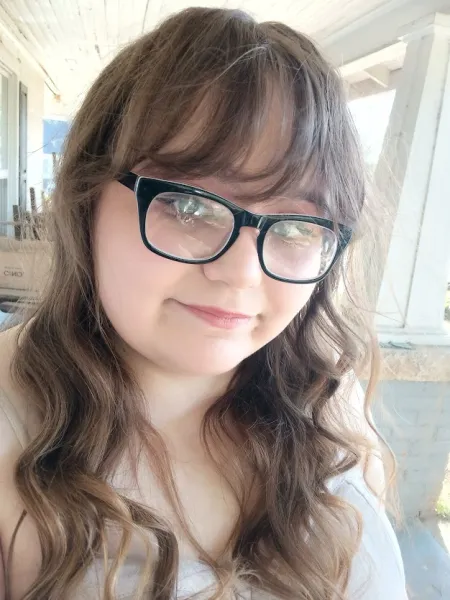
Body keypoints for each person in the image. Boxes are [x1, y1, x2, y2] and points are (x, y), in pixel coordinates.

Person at [0, 7, 407, 600]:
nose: (240, 274)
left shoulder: (327, 403)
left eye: (297, 226)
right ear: (86, 197)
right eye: (188, 205)